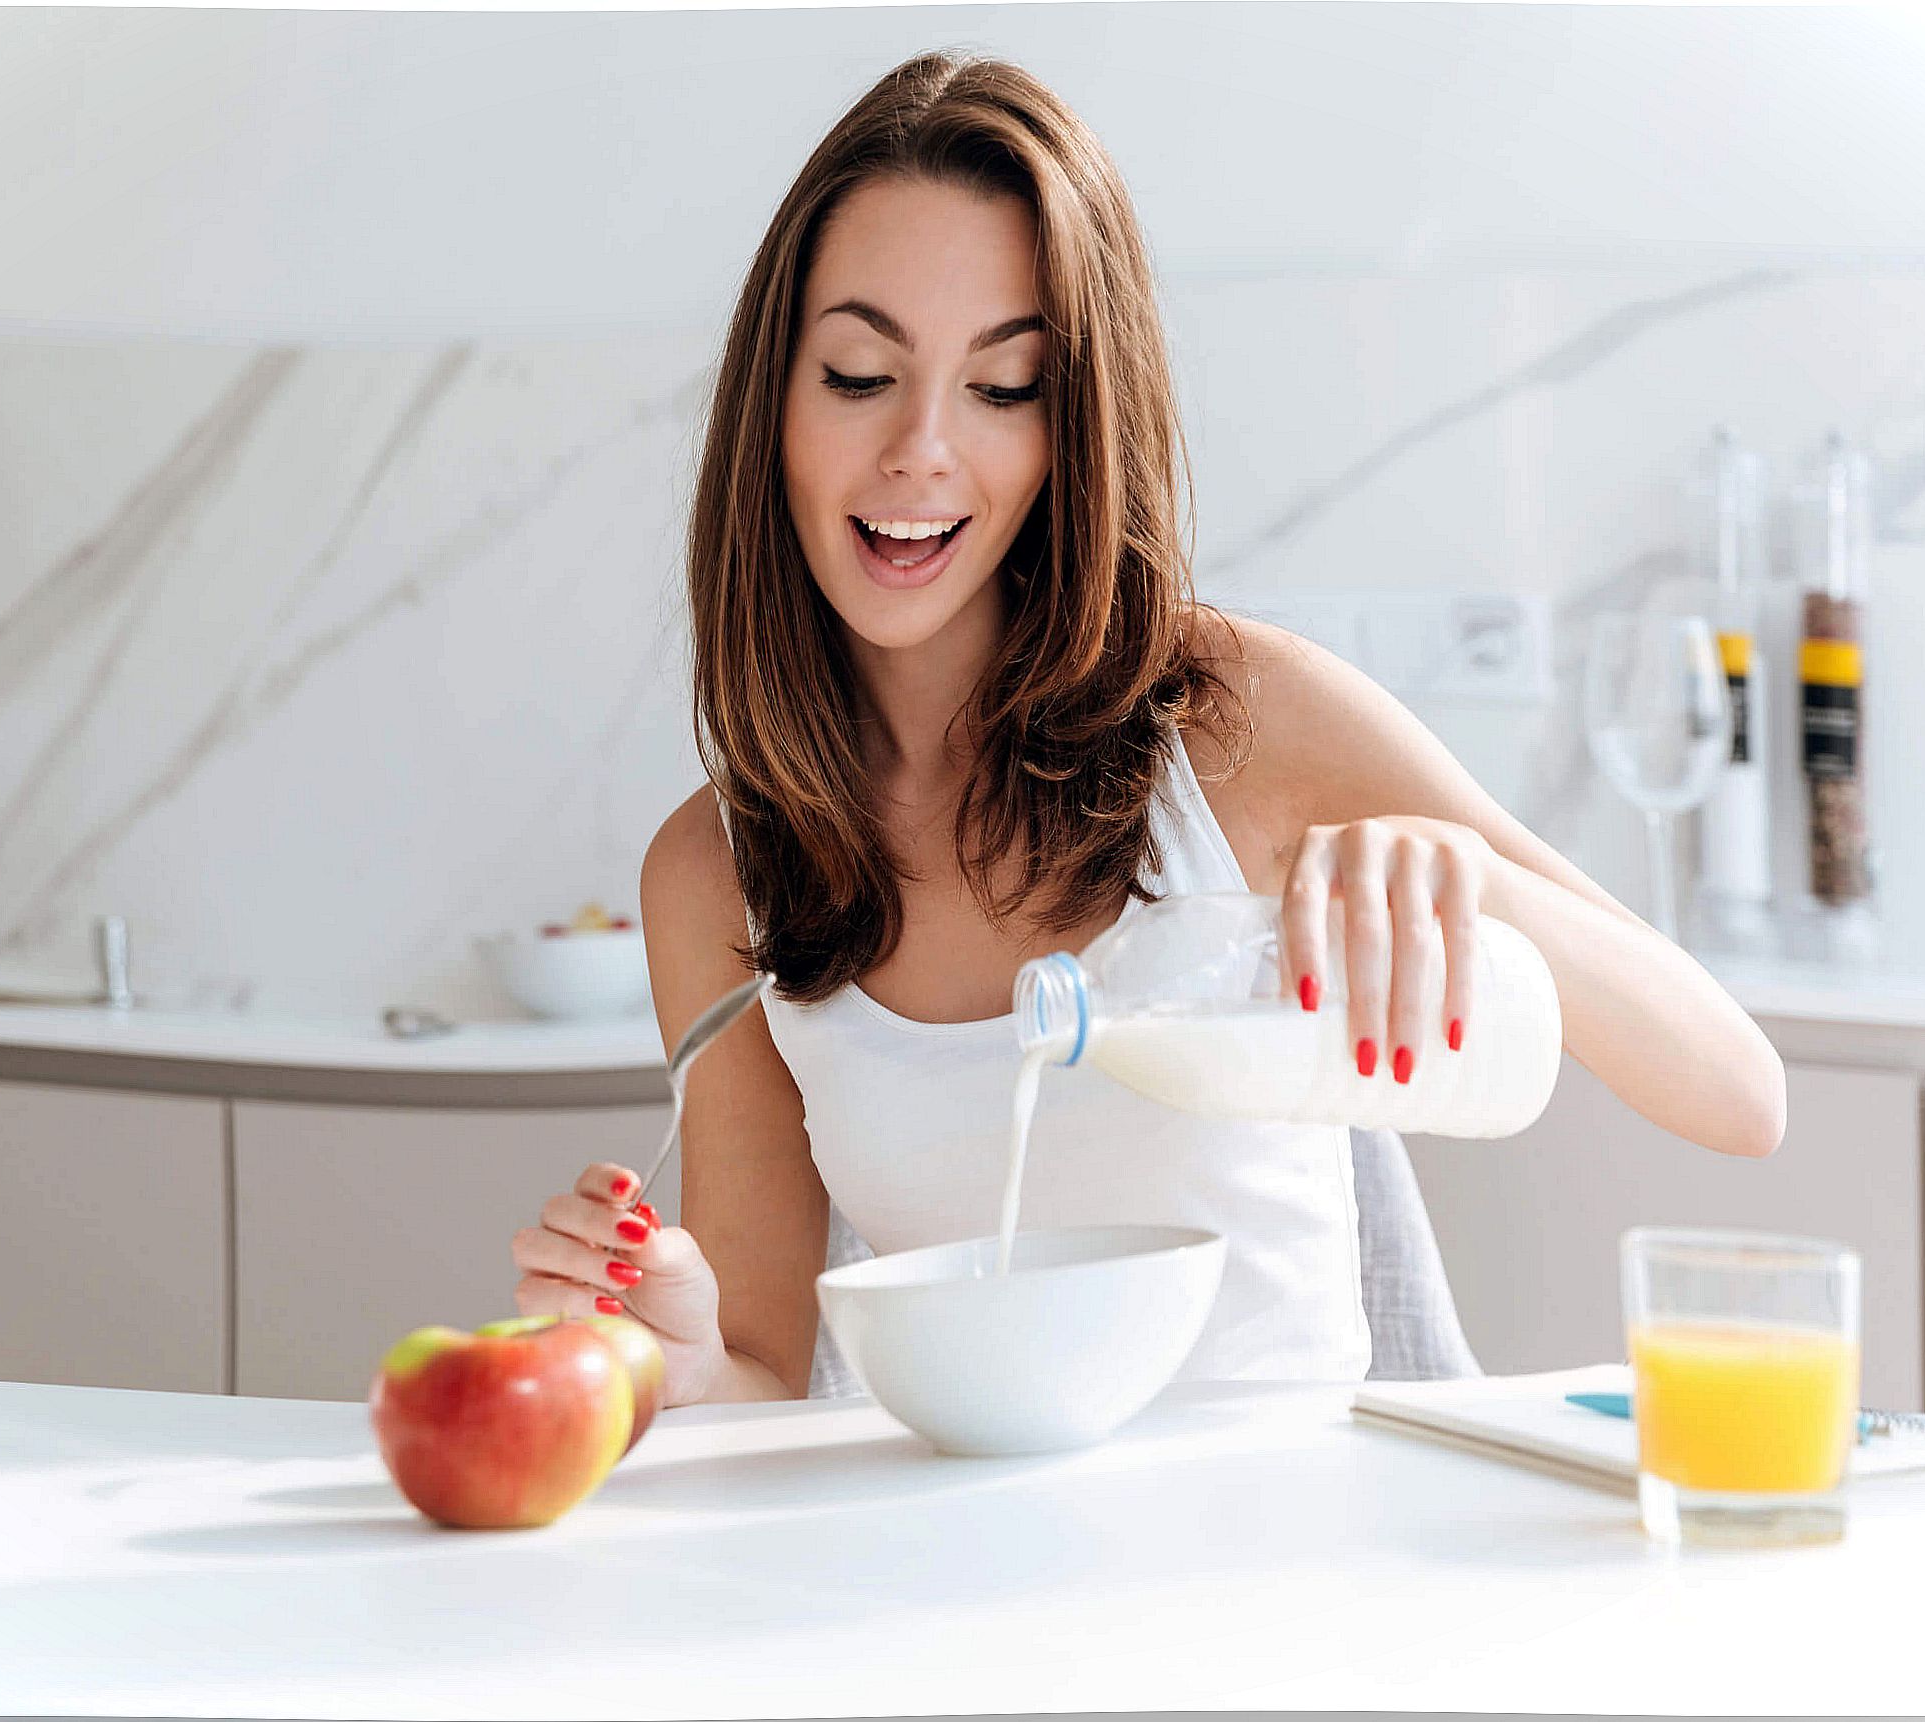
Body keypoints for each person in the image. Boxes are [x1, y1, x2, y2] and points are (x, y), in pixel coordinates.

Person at [510, 51, 1786, 1406]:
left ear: (1074, 426)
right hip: (947, 1584)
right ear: (774, 399)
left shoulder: (1232, 721)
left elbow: (1735, 1090)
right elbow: (762, 1369)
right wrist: (679, 1350)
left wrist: (1471, 893)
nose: (920, 451)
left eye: (1002, 390)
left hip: (1286, 1575)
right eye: (856, 373)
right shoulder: (718, 872)